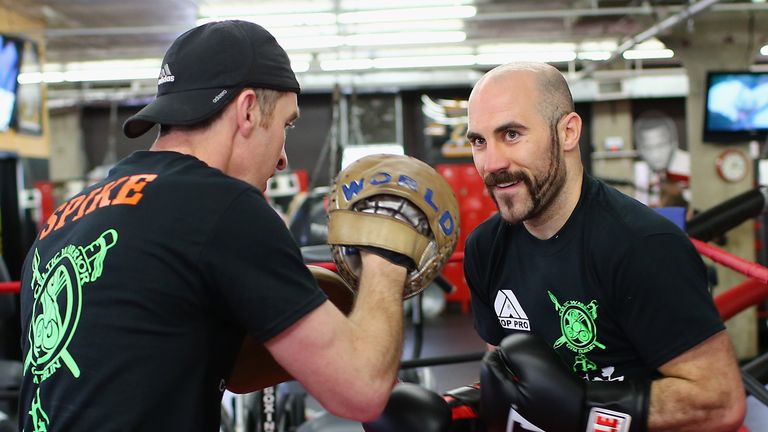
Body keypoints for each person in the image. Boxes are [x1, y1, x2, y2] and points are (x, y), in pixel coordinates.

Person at [18, 20, 409, 432]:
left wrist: (288, 308)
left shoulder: (61, 222)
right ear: (247, 111)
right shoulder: (223, 205)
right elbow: (361, 392)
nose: (282, 159)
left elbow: (225, 368)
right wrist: (386, 254)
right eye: (286, 125)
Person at [463, 62, 746, 431]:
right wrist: (459, 406)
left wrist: (587, 408)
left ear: (568, 132)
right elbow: (505, 374)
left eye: (512, 134)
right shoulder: (486, 248)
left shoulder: (643, 247)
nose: (492, 163)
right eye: (479, 141)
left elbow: (720, 401)